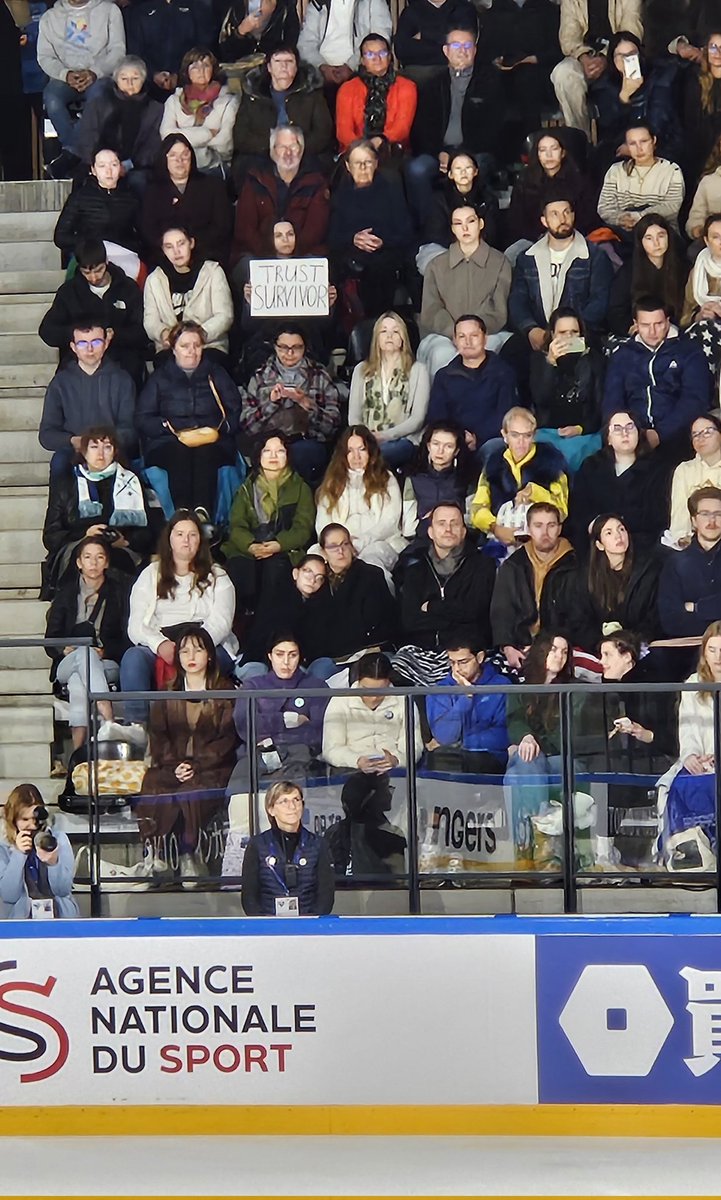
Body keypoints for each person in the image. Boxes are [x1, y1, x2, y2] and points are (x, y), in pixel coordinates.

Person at [135, 626, 237, 886]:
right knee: (155, 784)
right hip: (171, 764)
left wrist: (195, 764)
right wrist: (175, 767)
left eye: (198, 649)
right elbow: (158, 736)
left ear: (210, 656)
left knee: (190, 791)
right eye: (184, 650)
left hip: (211, 767)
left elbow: (227, 738)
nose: (191, 656)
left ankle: (187, 853)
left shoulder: (225, 691)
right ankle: (156, 854)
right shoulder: (167, 692)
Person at [121, 510, 239, 720]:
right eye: (180, 534)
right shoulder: (150, 574)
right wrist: (160, 644)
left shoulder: (218, 576)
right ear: (170, 540)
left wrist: (193, 648)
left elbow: (222, 622)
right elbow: (136, 625)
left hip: (206, 642)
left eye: (193, 534)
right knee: (133, 658)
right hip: (163, 641)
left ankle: (207, 723)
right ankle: (137, 726)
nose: (186, 540)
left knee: (218, 659)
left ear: (200, 541)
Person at [321, 651, 422, 876]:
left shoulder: (404, 700)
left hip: (393, 772)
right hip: (352, 770)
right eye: (368, 690)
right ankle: (366, 868)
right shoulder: (340, 701)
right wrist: (357, 761)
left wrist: (396, 759)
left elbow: (414, 747)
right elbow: (330, 749)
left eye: (380, 690)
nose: (374, 697)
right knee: (362, 796)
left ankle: (396, 868)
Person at [136, 320, 241, 516]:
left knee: (205, 453)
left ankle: (202, 513)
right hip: (168, 440)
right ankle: (182, 512)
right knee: (179, 452)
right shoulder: (159, 378)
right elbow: (143, 417)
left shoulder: (216, 373)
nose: (191, 351)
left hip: (212, 440)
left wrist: (222, 430)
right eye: (184, 346)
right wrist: (165, 427)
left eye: (197, 345)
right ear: (173, 348)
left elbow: (235, 410)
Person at [41, 425, 153, 598]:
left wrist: (125, 541)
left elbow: (148, 533)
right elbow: (51, 535)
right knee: (88, 558)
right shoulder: (67, 484)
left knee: (113, 561)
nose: (100, 453)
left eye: (107, 447)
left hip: (120, 550)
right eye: (94, 447)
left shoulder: (130, 482)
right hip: (77, 549)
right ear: (83, 452)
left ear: (115, 451)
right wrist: (85, 535)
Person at [406, 26, 500, 227]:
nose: (462, 50)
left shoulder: (491, 81)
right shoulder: (432, 84)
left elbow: (493, 129)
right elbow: (422, 128)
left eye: (467, 45)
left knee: (479, 167)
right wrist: (438, 153)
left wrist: (460, 156)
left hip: (475, 152)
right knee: (416, 170)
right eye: (456, 45)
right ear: (445, 51)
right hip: (439, 153)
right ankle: (429, 227)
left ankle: (477, 227)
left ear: (475, 50)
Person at [44, 535, 130, 747]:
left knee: (78, 683)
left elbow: (127, 638)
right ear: (79, 562)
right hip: (68, 661)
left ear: (107, 562)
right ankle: (107, 715)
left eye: (99, 557)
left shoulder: (118, 593)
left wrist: (106, 651)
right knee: (83, 654)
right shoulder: (65, 594)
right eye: (88, 557)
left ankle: (77, 752)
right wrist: (63, 649)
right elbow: (50, 640)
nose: (93, 562)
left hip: (105, 663)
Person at [603, 297, 711, 455]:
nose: (652, 331)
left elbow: (694, 400)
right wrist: (626, 432)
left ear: (667, 321)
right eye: (645, 325)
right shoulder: (622, 355)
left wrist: (660, 434)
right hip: (632, 438)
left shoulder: (689, 352)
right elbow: (612, 400)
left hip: (678, 437)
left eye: (658, 324)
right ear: (636, 323)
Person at [509, 195, 614, 354]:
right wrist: (530, 329)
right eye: (555, 214)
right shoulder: (527, 258)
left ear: (573, 216)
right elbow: (518, 300)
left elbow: (599, 303)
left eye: (566, 212)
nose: (562, 218)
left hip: (581, 336)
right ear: (544, 221)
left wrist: (570, 333)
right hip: (539, 335)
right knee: (511, 356)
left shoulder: (595, 256)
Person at [222, 432, 315, 613]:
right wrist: (250, 546)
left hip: (285, 549)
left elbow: (303, 528)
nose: (273, 456)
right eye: (267, 451)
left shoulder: (301, 488)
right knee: (240, 568)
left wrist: (279, 545)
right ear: (259, 455)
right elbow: (236, 525)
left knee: (276, 569)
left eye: (280, 451)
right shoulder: (246, 488)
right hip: (250, 546)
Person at [655, 621, 721, 870]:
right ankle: (691, 852)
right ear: (704, 652)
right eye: (712, 650)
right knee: (683, 783)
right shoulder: (692, 684)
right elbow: (688, 729)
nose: (718, 657)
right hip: (702, 759)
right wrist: (691, 756)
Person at [39, 237, 148, 387]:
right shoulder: (69, 292)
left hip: (121, 359)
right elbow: (47, 331)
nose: (94, 277)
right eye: (87, 272)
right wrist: (79, 336)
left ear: (107, 262)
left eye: (99, 270)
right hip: (79, 361)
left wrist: (114, 334)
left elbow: (142, 332)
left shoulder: (127, 288)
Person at [504, 630, 574, 861]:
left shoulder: (571, 690)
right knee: (528, 758)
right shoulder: (520, 688)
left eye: (564, 652)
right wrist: (525, 736)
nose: (559, 656)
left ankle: (524, 850)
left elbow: (563, 736)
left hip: (557, 758)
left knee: (515, 776)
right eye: (554, 649)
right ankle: (542, 840)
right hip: (530, 756)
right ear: (541, 651)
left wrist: (529, 740)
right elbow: (514, 720)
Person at [418, 206, 512, 376]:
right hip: (445, 336)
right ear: (453, 229)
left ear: (481, 223)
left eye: (471, 221)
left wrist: (473, 334)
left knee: (491, 353)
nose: (465, 228)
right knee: (441, 355)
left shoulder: (500, 262)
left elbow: (498, 308)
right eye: (458, 223)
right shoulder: (436, 265)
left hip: (488, 334)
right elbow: (431, 309)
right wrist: (455, 333)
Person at [240, 326, 342, 483]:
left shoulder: (319, 376)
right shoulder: (260, 377)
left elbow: (332, 427)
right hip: (268, 443)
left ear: (305, 348)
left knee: (301, 454)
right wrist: (271, 404)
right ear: (275, 347)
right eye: (283, 347)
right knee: (270, 456)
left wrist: (307, 404)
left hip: (307, 442)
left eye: (296, 348)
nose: (289, 353)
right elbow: (248, 427)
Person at [567, 410, 669, 562]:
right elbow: (579, 511)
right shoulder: (591, 466)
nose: (624, 433)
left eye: (630, 427)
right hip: (598, 548)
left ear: (639, 434)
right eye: (617, 429)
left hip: (641, 550)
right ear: (608, 438)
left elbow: (658, 518)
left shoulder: (657, 469)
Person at [231, 634, 329, 790]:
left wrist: (269, 733)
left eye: (292, 655)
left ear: (300, 656)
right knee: (239, 790)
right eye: (279, 654)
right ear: (270, 656)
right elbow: (245, 725)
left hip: (301, 758)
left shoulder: (316, 686)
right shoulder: (253, 686)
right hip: (258, 757)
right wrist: (287, 720)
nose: (286, 662)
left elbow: (318, 733)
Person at [328, 138, 412, 319]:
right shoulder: (341, 195)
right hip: (350, 254)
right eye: (357, 163)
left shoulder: (391, 188)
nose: (363, 168)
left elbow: (405, 231)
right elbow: (332, 236)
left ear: (376, 163)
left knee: (380, 270)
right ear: (348, 167)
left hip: (385, 253)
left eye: (367, 162)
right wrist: (353, 238)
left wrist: (382, 241)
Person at [38, 0, 126, 175]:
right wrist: (66, 74)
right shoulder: (49, 18)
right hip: (64, 77)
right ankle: (78, 152)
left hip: (100, 75)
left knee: (99, 96)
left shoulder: (110, 10)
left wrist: (95, 72)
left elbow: (118, 50)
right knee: (52, 98)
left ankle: (72, 153)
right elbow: (45, 56)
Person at [315, 425, 415, 577]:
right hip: (338, 544)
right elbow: (323, 521)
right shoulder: (332, 481)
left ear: (370, 451)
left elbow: (389, 521)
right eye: (350, 451)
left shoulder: (386, 479)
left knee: (370, 565)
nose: (356, 456)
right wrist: (339, 544)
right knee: (314, 559)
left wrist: (361, 542)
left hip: (378, 542)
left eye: (361, 449)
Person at [38, 322, 137, 475]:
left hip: (111, 450)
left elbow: (129, 429)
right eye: (82, 343)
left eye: (96, 342)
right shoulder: (60, 383)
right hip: (74, 450)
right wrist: (73, 441)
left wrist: (104, 444)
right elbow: (46, 434)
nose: (89, 349)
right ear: (73, 347)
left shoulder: (122, 380)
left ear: (105, 344)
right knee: (59, 464)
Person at [490, 502, 576, 671]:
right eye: (538, 526)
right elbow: (502, 610)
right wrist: (507, 646)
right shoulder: (513, 565)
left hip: (561, 646)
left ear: (559, 529)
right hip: (520, 646)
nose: (545, 533)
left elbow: (577, 613)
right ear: (528, 529)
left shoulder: (575, 564)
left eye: (551, 525)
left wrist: (545, 647)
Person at [399, 502, 496, 650]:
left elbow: (476, 613)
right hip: (421, 653)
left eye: (454, 523)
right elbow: (410, 621)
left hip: (467, 652)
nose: (448, 529)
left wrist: (432, 606)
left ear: (464, 531)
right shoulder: (416, 570)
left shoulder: (483, 566)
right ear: (431, 532)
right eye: (441, 523)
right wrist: (454, 618)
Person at [470, 407, 569, 550]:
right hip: (499, 542)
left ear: (534, 435)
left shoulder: (551, 462)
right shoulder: (493, 463)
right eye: (515, 435)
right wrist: (495, 527)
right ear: (504, 435)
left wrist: (535, 492)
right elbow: (477, 507)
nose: (521, 442)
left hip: (542, 541)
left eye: (527, 435)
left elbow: (561, 510)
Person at [476, 0, 560, 164]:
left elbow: (559, 49)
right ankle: (495, 159)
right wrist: (497, 60)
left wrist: (535, 59)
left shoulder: (548, 10)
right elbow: (484, 51)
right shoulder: (495, 11)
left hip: (539, 73)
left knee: (527, 80)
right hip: (503, 73)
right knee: (491, 84)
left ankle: (535, 152)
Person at [231, 49, 333, 183]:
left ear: (296, 67)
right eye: (278, 61)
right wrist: (275, 147)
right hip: (262, 154)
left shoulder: (311, 93)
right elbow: (241, 136)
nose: (284, 66)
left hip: (304, 153)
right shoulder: (254, 94)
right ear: (269, 67)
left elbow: (323, 133)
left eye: (289, 61)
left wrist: (294, 148)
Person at [231, 126, 330, 262]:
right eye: (282, 147)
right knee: (245, 265)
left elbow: (315, 230)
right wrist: (271, 256)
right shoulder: (255, 178)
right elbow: (245, 228)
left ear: (301, 150)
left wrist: (290, 256)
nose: (288, 153)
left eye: (293, 147)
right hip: (259, 255)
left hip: (303, 254)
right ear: (273, 151)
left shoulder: (316, 181)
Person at [425, 315, 518, 457]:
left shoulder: (503, 372)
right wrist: (460, 437)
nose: (468, 342)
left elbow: (506, 415)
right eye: (462, 336)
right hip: (454, 443)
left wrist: (478, 438)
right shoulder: (444, 376)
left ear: (485, 338)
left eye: (474, 335)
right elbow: (437, 417)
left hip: (490, 442)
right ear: (454, 340)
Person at [240, 780, 335, 916]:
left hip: (308, 926)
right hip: (269, 926)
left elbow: (325, 896)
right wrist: (264, 924)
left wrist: (310, 923)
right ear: (271, 809)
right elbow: (250, 897)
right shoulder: (257, 845)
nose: (292, 806)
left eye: (296, 799)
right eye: (284, 801)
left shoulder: (318, 844)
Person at [348, 311, 429, 468]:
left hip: (404, 440)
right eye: (384, 331)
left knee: (377, 456)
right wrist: (366, 437)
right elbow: (354, 416)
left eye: (395, 331)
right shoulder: (361, 370)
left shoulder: (418, 370)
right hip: (365, 439)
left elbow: (417, 418)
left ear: (403, 338)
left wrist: (385, 436)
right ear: (376, 338)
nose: (389, 336)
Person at [571, 513, 662, 651]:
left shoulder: (647, 571)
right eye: (609, 533)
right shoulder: (585, 576)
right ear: (599, 545)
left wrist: (628, 643)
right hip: (599, 648)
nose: (618, 536)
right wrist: (602, 644)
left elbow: (652, 618)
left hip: (636, 646)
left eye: (621, 529)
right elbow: (580, 621)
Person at [551, 0, 643, 137]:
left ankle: (622, 141)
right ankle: (581, 140)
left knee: (627, 63)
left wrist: (606, 57)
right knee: (563, 73)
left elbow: (632, 32)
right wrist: (583, 56)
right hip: (584, 57)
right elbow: (568, 37)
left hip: (618, 54)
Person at [589, 31, 682, 166]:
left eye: (632, 54)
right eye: (621, 56)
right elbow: (607, 127)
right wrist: (623, 98)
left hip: (659, 143)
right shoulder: (604, 85)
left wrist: (635, 146)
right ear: (613, 60)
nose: (627, 60)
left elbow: (660, 118)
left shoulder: (659, 76)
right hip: (622, 145)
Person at [529, 306, 604, 472]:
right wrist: (550, 363)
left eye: (574, 332)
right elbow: (540, 399)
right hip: (548, 430)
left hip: (584, 432)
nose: (569, 337)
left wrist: (581, 428)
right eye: (562, 333)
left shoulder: (594, 361)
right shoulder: (538, 360)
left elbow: (600, 407)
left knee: (571, 455)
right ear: (553, 335)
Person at [73, 55, 164, 191]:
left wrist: (127, 165)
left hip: (137, 167)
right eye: (124, 78)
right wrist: (104, 166)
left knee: (139, 181)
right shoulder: (98, 104)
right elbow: (87, 137)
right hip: (99, 165)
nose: (130, 83)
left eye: (135, 78)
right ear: (116, 80)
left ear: (143, 80)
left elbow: (153, 146)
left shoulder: (155, 109)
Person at [141, 134, 234, 266]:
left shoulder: (212, 185)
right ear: (164, 159)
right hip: (165, 259)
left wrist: (191, 245)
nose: (180, 160)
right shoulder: (152, 190)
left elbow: (222, 226)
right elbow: (148, 229)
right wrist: (171, 247)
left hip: (206, 256)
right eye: (173, 155)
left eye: (185, 155)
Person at [143, 226, 234, 358]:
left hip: (208, 345)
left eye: (181, 244)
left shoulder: (212, 271)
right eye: (169, 247)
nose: (176, 251)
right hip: (170, 347)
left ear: (191, 243)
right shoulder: (154, 279)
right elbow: (150, 320)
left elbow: (225, 316)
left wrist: (198, 336)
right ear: (163, 250)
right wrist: (164, 334)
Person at [314, 522, 396, 663]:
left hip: (366, 652)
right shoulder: (317, 581)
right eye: (333, 547)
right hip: (328, 656)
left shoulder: (371, 575)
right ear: (323, 552)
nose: (341, 551)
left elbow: (384, 623)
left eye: (345, 544)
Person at [425, 634, 508, 772]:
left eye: (463, 662)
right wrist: (466, 696)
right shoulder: (440, 690)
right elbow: (445, 737)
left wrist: (464, 742)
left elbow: (504, 734)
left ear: (480, 658)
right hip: (451, 757)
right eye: (452, 662)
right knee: (440, 760)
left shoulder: (501, 685)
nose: (457, 668)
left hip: (488, 757)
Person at [507, 130, 599, 248]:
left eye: (554, 149)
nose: (549, 155)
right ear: (537, 154)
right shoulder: (525, 182)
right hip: (533, 242)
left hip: (573, 240)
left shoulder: (579, 180)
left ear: (563, 152)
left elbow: (588, 219)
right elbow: (516, 221)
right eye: (543, 150)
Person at [0, 783, 78, 919]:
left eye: (35, 819)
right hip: (21, 920)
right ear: (13, 819)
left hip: (60, 917)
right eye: (25, 819)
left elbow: (63, 890)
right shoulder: (3, 847)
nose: (31, 825)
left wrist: (53, 863)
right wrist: (19, 854)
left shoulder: (58, 839)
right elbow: (9, 895)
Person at [239, 552, 329, 669]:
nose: (313, 580)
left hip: (295, 664)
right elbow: (262, 637)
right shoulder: (278, 597)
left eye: (319, 577)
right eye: (308, 572)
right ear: (295, 573)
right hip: (261, 660)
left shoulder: (320, 606)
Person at [159, 47, 239, 176]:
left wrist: (183, 136)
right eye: (195, 67)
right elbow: (167, 136)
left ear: (213, 69)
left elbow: (225, 143)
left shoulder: (228, 100)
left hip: (213, 167)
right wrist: (207, 133)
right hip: (179, 165)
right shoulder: (173, 101)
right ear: (187, 72)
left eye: (206, 65)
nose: (201, 71)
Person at [335, 32, 417, 156]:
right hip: (354, 151)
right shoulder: (348, 88)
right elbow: (343, 131)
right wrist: (362, 149)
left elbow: (402, 129)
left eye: (382, 53)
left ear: (390, 57)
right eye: (369, 54)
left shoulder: (407, 86)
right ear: (362, 60)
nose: (376, 58)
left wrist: (379, 142)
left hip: (393, 150)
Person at [597, 123, 685, 237]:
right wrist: (620, 219)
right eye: (632, 143)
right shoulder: (615, 171)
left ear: (653, 141)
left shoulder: (672, 170)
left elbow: (672, 205)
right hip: (623, 233)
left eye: (644, 141)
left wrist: (640, 217)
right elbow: (605, 207)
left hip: (661, 230)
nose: (639, 148)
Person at [607, 212, 687, 337]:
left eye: (661, 236)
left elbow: (687, 306)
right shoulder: (629, 271)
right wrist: (629, 328)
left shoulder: (683, 268)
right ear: (641, 242)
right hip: (641, 333)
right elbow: (616, 311)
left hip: (675, 331)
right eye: (649, 238)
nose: (656, 243)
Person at [53, 147, 141, 257]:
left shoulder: (131, 196)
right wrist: (91, 244)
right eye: (102, 166)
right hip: (90, 256)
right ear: (93, 170)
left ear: (121, 167)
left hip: (123, 254)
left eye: (114, 165)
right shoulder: (80, 196)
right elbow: (61, 237)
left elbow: (142, 234)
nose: (109, 171)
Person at [658, 485, 721, 638]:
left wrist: (695, 607)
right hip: (688, 646)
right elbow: (670, 621)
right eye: (705, 514)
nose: (711, 521)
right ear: (693, 520)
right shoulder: (675, 563)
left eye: (718, 514)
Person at [419, 149, 501, 267]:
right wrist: (462, 249)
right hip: (446, 248)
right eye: (458, 169)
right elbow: (436, 234)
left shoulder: (488, 198)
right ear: (450, 174)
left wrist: (472, 247)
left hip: (479, 248)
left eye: (468, 168)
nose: (463, 172)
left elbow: (492, 232)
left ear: (475, 171)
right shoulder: (439, 199)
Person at [125, 0, 214, 99]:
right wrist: (153, 74)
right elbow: (135, 52)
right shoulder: (140, 10)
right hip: (148, 87)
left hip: (187, 84)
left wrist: (179, 75)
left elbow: (203, 48)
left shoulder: (196, 7)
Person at [297, 0, 393, 89]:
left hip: (359, 68)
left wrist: (351, 66)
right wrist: (322, 67)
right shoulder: (318, 2)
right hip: (320, 72)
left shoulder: (373, 2)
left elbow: (381, 39)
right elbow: (305, 44)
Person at [402, 421, 471, 542]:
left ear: (456, 451)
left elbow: (472, 521)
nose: (440, 451)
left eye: (448, 446)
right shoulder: (413, 478)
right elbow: (407, 529)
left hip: (458, 540)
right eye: (436, 444)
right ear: (428, 446)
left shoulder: (468, 478)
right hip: (422, 541)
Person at [668, 415, 721, 548]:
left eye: (707, 432)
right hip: (695, 544)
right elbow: (679, 514)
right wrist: (683, 540)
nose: (701, 438)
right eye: (695, 434)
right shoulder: (684, 470)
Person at [681, 213, 721, 373]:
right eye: (715, 237)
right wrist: (699, 315)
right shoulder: (698, 270)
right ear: (706, 241)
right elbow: (685, 316)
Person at [394, 0, 477, 74]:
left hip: (456, 69)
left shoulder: (464, 8)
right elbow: (401, 49)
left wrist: (424, 34)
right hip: (419, 72)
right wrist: (447, 48)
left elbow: (464, 40)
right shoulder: (411, 11)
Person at [683, 29, 721, 180]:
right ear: (706, 50)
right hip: (701, 149)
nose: (717, 52)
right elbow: (691, 122)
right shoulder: (694, 81)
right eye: (713, 47)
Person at [216, 0, 300, 62]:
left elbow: (290, 48)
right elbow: (226, 52)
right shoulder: (232, 6)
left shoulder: (286, 7)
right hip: (240, 72)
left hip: (273, 72)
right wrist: (241, 31)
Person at [687, 137, 721, 241]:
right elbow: (696, 218)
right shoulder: (708, 182)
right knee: (693, 252)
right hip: (714, 239)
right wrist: (698, 229)